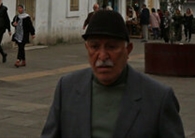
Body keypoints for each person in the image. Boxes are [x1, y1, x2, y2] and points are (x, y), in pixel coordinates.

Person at [40, 10, 184, 137]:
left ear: (128, 50)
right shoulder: (67, 88)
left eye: (111, 47)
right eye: (94, 46)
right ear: (86, 48)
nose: (102, 56)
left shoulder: (158, 98)